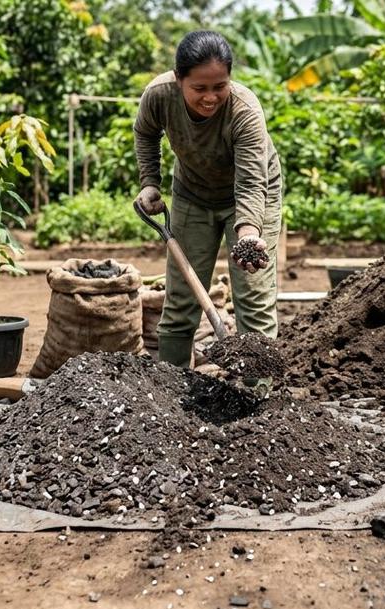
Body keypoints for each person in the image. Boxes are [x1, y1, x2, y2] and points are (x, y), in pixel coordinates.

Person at [133, 30, 283, 369]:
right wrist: (150, 183)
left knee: (253, 296)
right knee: (181, 298)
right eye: (199, 88)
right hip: (192, 194)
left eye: (220, 86)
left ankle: (257, 391)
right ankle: (168, 384)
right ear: (178, 79)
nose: (211, 97)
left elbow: (250, 182)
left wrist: (247, 233)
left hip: (253, 196)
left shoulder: (244, 112)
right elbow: (145, 132)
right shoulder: (159, 95)